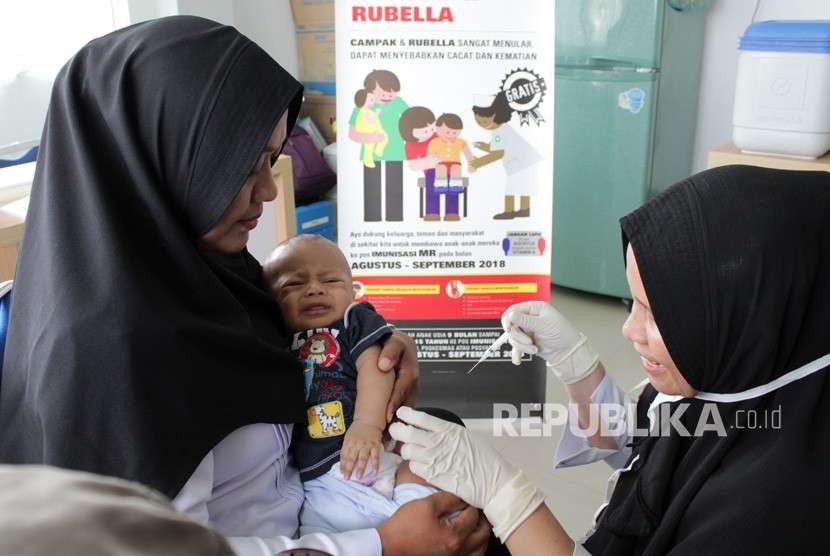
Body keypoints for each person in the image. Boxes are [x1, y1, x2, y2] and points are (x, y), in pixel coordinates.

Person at [0, 16, 489, 556]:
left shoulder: (199, 268)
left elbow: (302, 336)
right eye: (246, 166)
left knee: (449, 445)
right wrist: (382, 546)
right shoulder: (115, 359)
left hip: (303, 500)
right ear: (166, 154)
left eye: (271, 161)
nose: (267, 192)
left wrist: (381, 344)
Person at [392, 165, 830, 554]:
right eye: (632, 304)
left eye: (655, 314)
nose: (629, 330)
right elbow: (642, 445)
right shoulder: (745, 375)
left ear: (747, 319)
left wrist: (507, 497)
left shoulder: (768, 511)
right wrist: (576, 365)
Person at [263, 234, 441, 535]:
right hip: (318, 479)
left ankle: (418, 516)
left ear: (351, 289)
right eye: (294, 284)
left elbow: (375, 367)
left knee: (424, 476)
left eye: (331, 281)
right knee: (321, 534)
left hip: (371, 450)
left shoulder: (352, 321)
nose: (314, 289)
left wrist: (366, 425)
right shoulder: (273, 338)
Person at [348, 69, 409, 222]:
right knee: (372, 188)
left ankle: (394, 219)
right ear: (370, 91)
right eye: (384, 93)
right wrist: (369, 137)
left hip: (395, 151)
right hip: (371, 153)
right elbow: (352, 133)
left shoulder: (399, 102)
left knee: (395, 188)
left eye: (393, 92)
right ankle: (372, 219)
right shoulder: (362, 107)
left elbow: (411, 119)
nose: (389, 96)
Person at [471, 93, 542, 220]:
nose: (482, 125)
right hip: (527, 160)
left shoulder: (498, 131)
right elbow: (500, 148)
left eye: (484, 121)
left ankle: (509, 212)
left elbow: (498, 153)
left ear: (494, 115)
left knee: (512, 187)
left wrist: (477, 163)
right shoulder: (502, 128)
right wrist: (485, 147)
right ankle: (524, 210)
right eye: (478, 122)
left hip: (521, 162)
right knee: (523, 186)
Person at [426, 113, 476, 220]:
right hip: (439, 166)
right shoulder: (434, 142)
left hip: (455, 167)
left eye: (455, 132)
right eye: (447, 132)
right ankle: (433, 212)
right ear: (438, 129)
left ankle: (452, 213)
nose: (450, 135)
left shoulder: (461, 142)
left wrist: (472, 164)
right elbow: (430, 157)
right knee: (439, 170)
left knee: (455, 172)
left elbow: (469, 155)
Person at [352, 89, 386, 169]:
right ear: (363, 101)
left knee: (383, 138)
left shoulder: (366, 111)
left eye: (373, 100)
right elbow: (372, 120)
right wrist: (377, 113)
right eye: (371, 100)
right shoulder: (365, 111)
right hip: (368, 131)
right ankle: (369, 159)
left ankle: (377, 151)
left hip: (371, 130)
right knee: (369, 147)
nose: (373, 102)